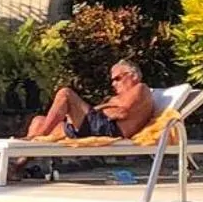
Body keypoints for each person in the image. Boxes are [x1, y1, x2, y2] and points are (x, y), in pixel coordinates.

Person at [26, 60, 155, 143]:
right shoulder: (121, 96)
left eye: (117, 78)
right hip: (96, 125)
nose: (113, 83)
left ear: (133, 75)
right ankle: (18, 166)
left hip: (107, 129)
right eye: (112, 80)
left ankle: (37, 137)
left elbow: (122, 112)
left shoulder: (141, 88)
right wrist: (107, 106)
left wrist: (103, 108)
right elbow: (113, 110)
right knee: (38, 121)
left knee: (65, 93)